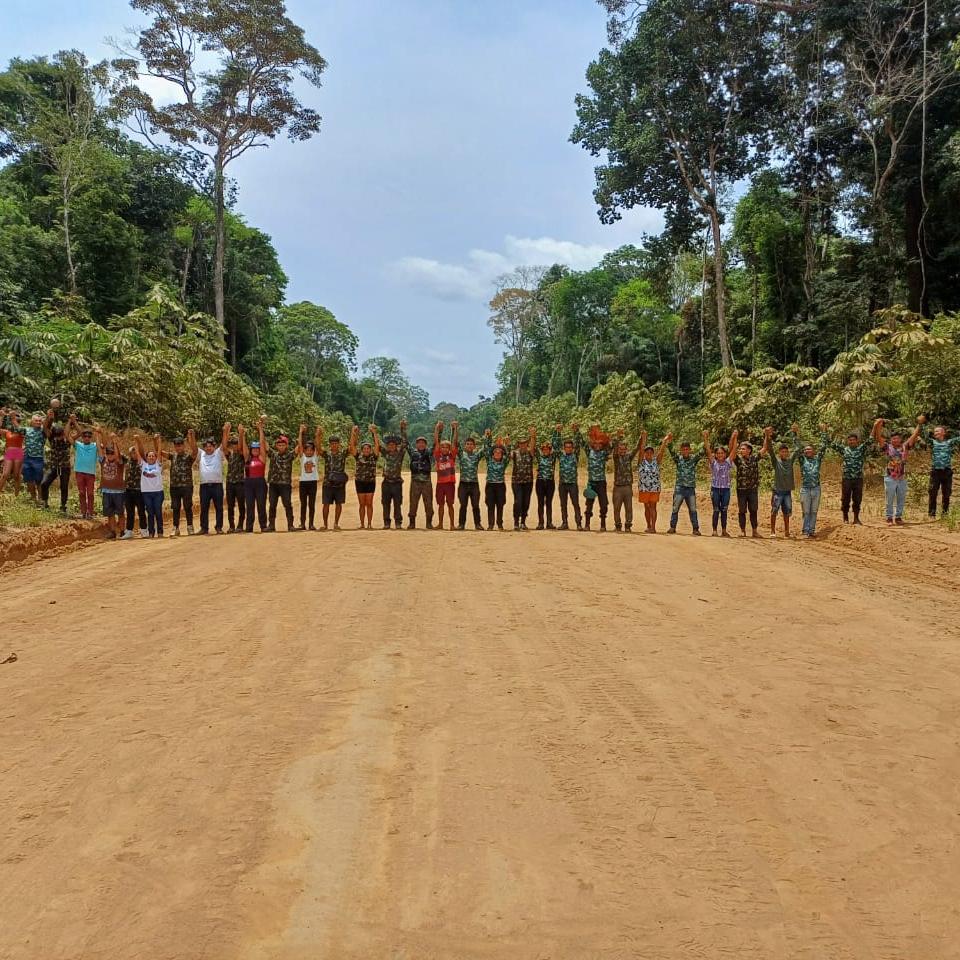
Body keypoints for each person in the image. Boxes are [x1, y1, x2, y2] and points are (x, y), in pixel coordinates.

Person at [872, 416, 922, 525]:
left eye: (897, 438)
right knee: (889, 499)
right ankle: (889, 518)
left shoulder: (905, 447)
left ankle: (898, 517)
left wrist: (919, 424)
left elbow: (914, 436)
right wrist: (877, 426)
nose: (895, 440)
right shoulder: (887, 447)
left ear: (900, 439)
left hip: (901, 478)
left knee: (901, 499)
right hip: (890, 477)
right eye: (893, 438)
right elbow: (878, 438)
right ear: (891, 440)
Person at [831, 423, 880, 524]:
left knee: (857, 499)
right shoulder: (844, 450)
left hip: (858, 479)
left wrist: (874, 427)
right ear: (847, 441)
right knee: (845, 498)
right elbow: (831, 444)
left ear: (857, 441)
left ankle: (856, 518)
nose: (852, 441)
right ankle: (845, 517)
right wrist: (824, 431)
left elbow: (870, 440)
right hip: (847, 479)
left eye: (854, 440)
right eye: (850, 440)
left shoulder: (861, 449)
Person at [793, 423, 831, 538]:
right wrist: (795, 433)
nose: (808, 450)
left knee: (814, 511)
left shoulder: (817, 459)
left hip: (816, 488)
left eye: (810, 449)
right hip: (805, 489)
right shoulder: (802, 459)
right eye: (806, 449)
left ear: (813, 451)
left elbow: (824, 446)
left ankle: (811, 531)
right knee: (806, 511)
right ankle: (805, 530)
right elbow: (797, 447)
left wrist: (824, 431)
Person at [197, 423, 231, 534]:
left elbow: (224, 443)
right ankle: (204, 528)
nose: (208, 448)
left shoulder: (218, 453)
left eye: (210, 446)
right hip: (204, 485)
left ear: (214, 446)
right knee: (204, 508)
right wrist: (191, 436)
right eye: (206, 446)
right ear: (204, 447)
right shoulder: (201, 454)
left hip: (217, 485)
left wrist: (225, 431)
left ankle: (219, 528)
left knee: (219, 507)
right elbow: (193, 447)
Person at [667, 437, 704, 535]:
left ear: (690, 450)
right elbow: (671, 451)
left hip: (690, 488)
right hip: (680, 487)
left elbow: (702, 452)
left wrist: (705, 438)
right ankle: (672, 527)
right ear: (681, 450)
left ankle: (695, 529)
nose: (685, 451)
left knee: (693, 509)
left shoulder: (693, 459)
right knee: (675, 508)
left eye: (687, 449)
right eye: (683, 449)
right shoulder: (678, 459)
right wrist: (670, 440)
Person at [94, 426, 127, 540]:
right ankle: (113, 531)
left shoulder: (119, 462)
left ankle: (123, 531)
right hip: (107, 491)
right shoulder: (103, 460)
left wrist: (114, 442)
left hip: (119, 491)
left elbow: (118, 455)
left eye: (112, 453)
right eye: (108, 453)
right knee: (110, 513)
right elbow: (99, 448)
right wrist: (98, 435)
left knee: (120, 513)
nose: (110, 455)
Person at [764, 427, 796, 539]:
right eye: (782, 451)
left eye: (786, 451)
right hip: (777, 491)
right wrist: (768, 436)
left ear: (788, 453)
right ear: (779, 453)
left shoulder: (791, 461)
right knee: (774, 511)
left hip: (787, 492)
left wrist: (796, 433)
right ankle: (772, 531)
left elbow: (799, 448)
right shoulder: (776, 462)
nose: (784, 453)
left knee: (787, 512)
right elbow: (770, 450)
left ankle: (787, 532)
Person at [924, 416, 960, 518]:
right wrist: (921, 423)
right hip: (935, 471)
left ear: (944, 433)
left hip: (947, 471)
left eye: (938, 431)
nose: (936, 433)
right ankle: (931, 514)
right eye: (934, 432)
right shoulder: (932, 442)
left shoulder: (950, 442)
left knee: (946, 494)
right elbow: (923, 435)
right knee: (932, 493)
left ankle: (945, 515)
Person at [65, 416, 98, 520]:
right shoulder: (78, 445)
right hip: (79, 472)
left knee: (91, 493)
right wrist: (71, 421)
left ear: (91, 437)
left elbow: (104, 444)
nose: (87, 438)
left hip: (90, 473)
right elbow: (67, 435)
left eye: (89, 436)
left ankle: (90, 512)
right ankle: (83, 512)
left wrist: (99, 431)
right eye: (85, 436)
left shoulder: (95, 445)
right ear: (82, 437)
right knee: (82, 493)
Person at [730, 431, 762, 538]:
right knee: (742, 511)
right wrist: (734, 438)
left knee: (753, 510)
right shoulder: (738, 460)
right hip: (741, 490)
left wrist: (767, 436)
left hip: (753, 489)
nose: (741, 450)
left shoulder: (755, 459)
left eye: (743, 449)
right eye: (740, 449)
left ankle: (754, 531)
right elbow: (731, 450)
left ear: (749, 450)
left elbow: (765, 449)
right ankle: (743, 531)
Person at [164, 431, 196, 536]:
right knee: (175, 507)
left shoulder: (188, 457)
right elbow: (159, 452)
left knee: (187, 507)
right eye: (176, 446)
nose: (178, 448)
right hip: (174, 487)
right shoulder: (172, 456)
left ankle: (190, 527)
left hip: (186, 486)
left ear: (183, 445)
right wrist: (157, 441)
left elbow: (195, 451)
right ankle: (175, 527)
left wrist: (191, 437)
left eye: (180, 445)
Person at [320, 426, 352, 531]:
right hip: (327, 483)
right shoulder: (326, 454)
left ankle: (336, 524)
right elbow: (318, 447)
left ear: (339, 444)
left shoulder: (342, 454)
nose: (334, 445)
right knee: (326, 504)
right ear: (330, 445)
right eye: (332, 443)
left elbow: (351, 447)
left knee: (339, 504)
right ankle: (325, 525)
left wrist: (352, 434)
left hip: (339, 484)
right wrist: (318, 435)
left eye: (336, 443)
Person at [266, 420, 296, 532]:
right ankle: (271, 525)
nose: (281, 446)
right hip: (273, 484)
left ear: (286, 445)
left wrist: (301, 432)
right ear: (276, 446)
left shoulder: (290, 455)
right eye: (279, 445)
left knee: (287, 504)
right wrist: (260, 429)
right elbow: (265, 445)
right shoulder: (273, 455)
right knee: (272, 505)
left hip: (285, 485)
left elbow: (299, 448)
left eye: (283, 444)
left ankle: (290, 525)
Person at [611, 429, 643, 533]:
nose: (622, 451)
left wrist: (641, 437)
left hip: (627, 487)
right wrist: (618, 436)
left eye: (624, 449)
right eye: (621, 449)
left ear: (626, 450)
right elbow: (614, 448)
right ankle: (618, 525)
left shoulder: (628, 457)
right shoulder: (616, 458)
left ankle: (628, 525)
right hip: (618, 487)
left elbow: (637, 448)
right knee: (617, 508)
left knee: (629, 508)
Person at [134, 434, 165, 538]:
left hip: (158, 492)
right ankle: (151, 532)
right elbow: (137, 453)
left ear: (156, 458)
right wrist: (136, 440)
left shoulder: (158, 464)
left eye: (153, 456)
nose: (151, 457)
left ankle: (160, 532)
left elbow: (160, 451)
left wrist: (159, 441)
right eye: (149, 456)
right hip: (146, 493)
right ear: (146, 458)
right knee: (150, 513)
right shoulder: (143, 465)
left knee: (158, 512)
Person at [703, 429, 734, 537]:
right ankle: (715, 530)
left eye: (722, 453)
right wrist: (706, 438)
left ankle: (724, 530)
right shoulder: (713, 462)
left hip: (726, 489)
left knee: (724, 510)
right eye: (718, 453)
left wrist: (735, 438)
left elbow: (734, 450)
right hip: (715, 489)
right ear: (715, 455)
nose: (720, 455)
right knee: (716, 509)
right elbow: (707, 450)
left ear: (725, 454)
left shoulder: (728, 462)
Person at [637, 433, 669, 533]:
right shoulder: (641, 462)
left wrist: (665, 440)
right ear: (645, 453)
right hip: (644, 488)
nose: (649, 453)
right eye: (647, 452)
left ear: (653, 453)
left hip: (654, 488)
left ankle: (653, 527)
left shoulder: (656, 461)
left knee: (653, 507)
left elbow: (662, 451)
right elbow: (641, 450)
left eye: (651, 452)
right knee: (646, 507)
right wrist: (644, 438)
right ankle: (648, 525)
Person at [41, 414, 72, 513]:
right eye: (56, 436)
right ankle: (45, 503)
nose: (58, 438)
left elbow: (74, 433)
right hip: (53, 466)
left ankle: (63, 506)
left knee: (64, 486)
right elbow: (45, 427)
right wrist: (49, 417)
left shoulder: (67, 441)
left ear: (63, 434)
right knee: (44, 484)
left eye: (60, 436)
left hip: (65, 467)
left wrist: (70, 421)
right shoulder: (52, 439)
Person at [584, 425, 613, 531]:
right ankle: (587, 524)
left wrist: (613, 437)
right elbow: (582, 442)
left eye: (600, 443)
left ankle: (603, 524)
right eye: (595, 443)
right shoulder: (589, 452)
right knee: (589, 504)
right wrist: (588, 432)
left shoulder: (604, 453)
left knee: (603, 504)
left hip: (601, 482)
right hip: (591, 482)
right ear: (592, 444)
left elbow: (611, 447)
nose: (597, 445)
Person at [242, 419, 269, 533]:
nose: (256, 450)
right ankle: (249, 527)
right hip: (248, 483)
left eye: (257, 449)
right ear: (251, 449)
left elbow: (262, 444)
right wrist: (242, 434)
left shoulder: (262, 458)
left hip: (260, 483)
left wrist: (260, 429)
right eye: (254, 449)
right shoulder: (247, 458)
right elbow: (243, 448)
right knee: (250, 505)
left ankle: (263, 525)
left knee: (261, 505)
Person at [352, 426, 381, 530]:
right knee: (361, 504)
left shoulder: (374, 456)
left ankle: (369, 524)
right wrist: (353, 433)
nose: (366, 450)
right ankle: (362, 524)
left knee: (369, 503)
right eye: (364, 448)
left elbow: (377, 445)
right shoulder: (358, 456)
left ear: (371, 449)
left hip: (370, 483)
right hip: (359, 482)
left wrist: (374, 433)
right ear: (362, 449)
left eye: (368, 448)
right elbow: (352, 445)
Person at [380, 421, 408, 529]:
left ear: (396, 446)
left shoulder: (400, 454)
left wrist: (403, 429)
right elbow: (377, 445)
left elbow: (405, 443)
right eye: (389, 445)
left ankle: (398, 523)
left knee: (397, 503)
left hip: (396, 482)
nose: (391, 446)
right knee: (385, 503)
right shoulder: (385, 453)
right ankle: (386, 523)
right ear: (387, 446)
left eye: (393, 444)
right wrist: (374, 433)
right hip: (386, 482)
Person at [295, 423, 322, 530]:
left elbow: (317, 444)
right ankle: (302, 524)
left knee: (311, 504)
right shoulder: (302, 457)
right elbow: (300, 444)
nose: (309, 451)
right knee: (303, 504)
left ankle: (311, 524)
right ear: (304, 451)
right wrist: (301, 432)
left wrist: (318, 434)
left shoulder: (315, 457)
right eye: (307, 450)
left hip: (313, 482)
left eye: (311, 450)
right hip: (303, 483)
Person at [456, 430, 485, 530]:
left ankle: (478, 524)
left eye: (471, 444)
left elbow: (485, 448)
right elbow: (455, 443)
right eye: (467, 444)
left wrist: (487, 437)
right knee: (463, 505)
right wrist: (455, 429)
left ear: (474, 446)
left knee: (475, 505)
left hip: (474, 484)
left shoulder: (476, 456)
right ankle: (461, 524)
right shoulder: (461, 455)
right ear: (465, 446)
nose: (469, 446)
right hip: (463, 484)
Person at [556, 424, 582, 531]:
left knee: (575, 504)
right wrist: (557, 432)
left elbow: (579, 442)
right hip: (562, 484)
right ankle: (564, 523)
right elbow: (555, 444)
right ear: (564, 448)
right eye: (566, 447)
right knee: (563, 504)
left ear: (572, 448)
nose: (568, 448)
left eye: (570, 447)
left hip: (572, 484)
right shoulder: (561, 455)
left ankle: (579, 524)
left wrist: (576, 431)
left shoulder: (575, 455)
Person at [509, 426, 536, 530]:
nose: (523, 444)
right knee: (518, 501)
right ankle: (516, 522)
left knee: (526, 502)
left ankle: (523, 522)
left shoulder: (530, 452)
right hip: (516, 482)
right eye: (521, 443)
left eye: (524, 442)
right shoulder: (515, 453)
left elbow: (533, 447)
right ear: (518, 444)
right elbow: (509, 455)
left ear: (527, 443)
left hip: (528, 481)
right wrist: (507, 444)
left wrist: (533, 436)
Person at [407, 430, 434, 529]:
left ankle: (429, 523)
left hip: (426, 482)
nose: (421, 444)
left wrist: (438, 430)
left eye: (423, 443)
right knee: (413, 503)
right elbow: (405, 442)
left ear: (426, 444)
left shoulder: (429, 452)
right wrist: (403, 429)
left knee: (429, 503)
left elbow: (436, 443)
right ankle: (412, 523)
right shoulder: (412, 452)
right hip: (415, 482)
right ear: (416, 444)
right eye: (419, 442)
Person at [434, 420, 458, 531]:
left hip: (449, 484)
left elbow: (454, 442)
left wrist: (455, 429)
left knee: (450, 504)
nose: (444, 448)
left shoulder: (452, 456)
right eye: (442, 447)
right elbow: (436, 441)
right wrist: (437, 429)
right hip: (440, 484)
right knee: (441, 505)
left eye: (446, 447)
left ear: (449, 449)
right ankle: (440, 524)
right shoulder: (438, 455)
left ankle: (452, 524)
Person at [121, 440, 147, 539]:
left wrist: (137, 441)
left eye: (135, 452)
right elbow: (118, 454)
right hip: (128, 490)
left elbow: (141, 449)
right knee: (129, 511)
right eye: (132, 452)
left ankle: (144, 530)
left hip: (139, 490)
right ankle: (129, 531)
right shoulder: (127, 460)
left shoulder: (142, 461)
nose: (133, 454)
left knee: (141, 511)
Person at [482, 430, 508, 530]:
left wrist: (504, 444)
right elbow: (486, 449)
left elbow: (508, 452)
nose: (497, 453)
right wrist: (488, 437)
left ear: (502, 454)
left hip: (500, 485)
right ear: (492, 454)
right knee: (490, 505)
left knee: (500, 505)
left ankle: (500, 524)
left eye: (499, 452)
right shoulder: (489, 460)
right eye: (495, 452)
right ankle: (491, 524)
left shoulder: (504, 461)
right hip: (490, 485)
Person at [535, 430, 559, 530]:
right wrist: (533, 435)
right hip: (540, 482)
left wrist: (556, 432)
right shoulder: (539, 457)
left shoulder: (552, 457)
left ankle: (549, 523)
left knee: (548, 503)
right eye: (543, 449)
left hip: (550, 482)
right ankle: (541, 523)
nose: (545, 450)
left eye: (547, 449)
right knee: (540, 503)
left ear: (550, 450)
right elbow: (534, 447)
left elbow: (556, 445)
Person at [225, 426, 247, 533]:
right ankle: (231, 526)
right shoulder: (229, 455)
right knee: (230, 506)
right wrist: (226, 432)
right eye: (232, 444)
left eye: (236, 444)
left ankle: (240, 525)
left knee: (241, 505)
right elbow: (224, 447)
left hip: (240, 483)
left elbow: (242, 448)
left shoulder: (242, 455)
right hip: (230, 483)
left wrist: (241, 434)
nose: (234, 446)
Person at [0, 408, 26, 497]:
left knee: (16, 475)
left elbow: (20, 430)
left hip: (18, 452)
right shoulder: (8, 431)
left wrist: (13, 417)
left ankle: (16, 495)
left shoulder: (21, 431)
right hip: (9, 452)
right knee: (5, 474)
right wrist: (2, 417)